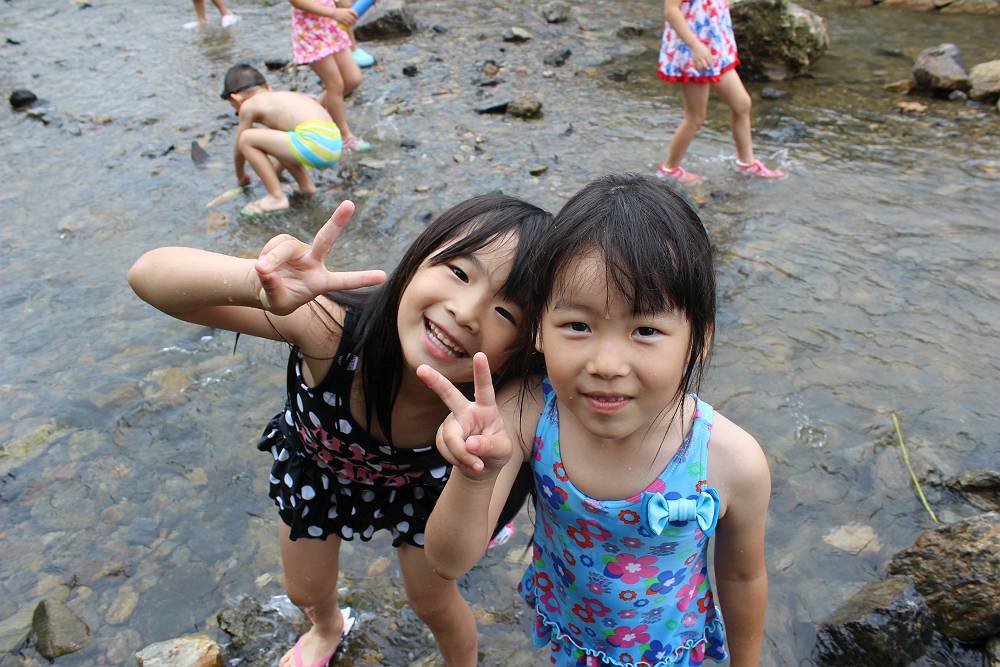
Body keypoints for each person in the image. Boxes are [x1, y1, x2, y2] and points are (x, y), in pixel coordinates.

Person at [128, 195, 552, 667]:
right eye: (459, 272)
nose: (467, 312)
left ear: (525, 346)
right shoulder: (332, 329)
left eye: (507, 313)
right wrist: (254, 282)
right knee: (304, 590)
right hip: (322, 470)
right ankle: (328, 627)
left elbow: (452, 559)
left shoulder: (499, 404)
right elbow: (148, 276)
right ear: (416, 259)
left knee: (433, 601)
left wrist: (476, 479)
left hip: (428, 489)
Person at [420, 174, 771, 666]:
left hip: (670, 651)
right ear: (539, 329)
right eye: (578, 325)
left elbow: (743, 576)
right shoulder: (527, 413)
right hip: (571, 636)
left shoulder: (731, 461)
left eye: (645, 330)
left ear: (700, 338)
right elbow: (447, 561)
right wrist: (475, 475)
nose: (607, 364)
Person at [656, 0, 784, 183]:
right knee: (695, 117)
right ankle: (670, 169)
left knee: (742, 104)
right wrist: (695, 45)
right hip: (693, 53)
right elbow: (671, 11)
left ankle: (746, 163)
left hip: (716, 48)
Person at [221, 64, 343, 216]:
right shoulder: (286, 98)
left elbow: (240, 148)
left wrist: (241, 176)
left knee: (246, 138)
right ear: (268, 88)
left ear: (236, 98)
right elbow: (285, 148)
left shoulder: (248, 105)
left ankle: (276, 197)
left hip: (314, 144)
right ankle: (306, 187)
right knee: (283, 136)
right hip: (333, 145)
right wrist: (273, 173)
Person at [290, 0, 371, 154]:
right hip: (311, 33)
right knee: (335, 85)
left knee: (352, 79)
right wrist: (334, 12)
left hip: (330, 28)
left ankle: (315, 106)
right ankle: (345, 136)